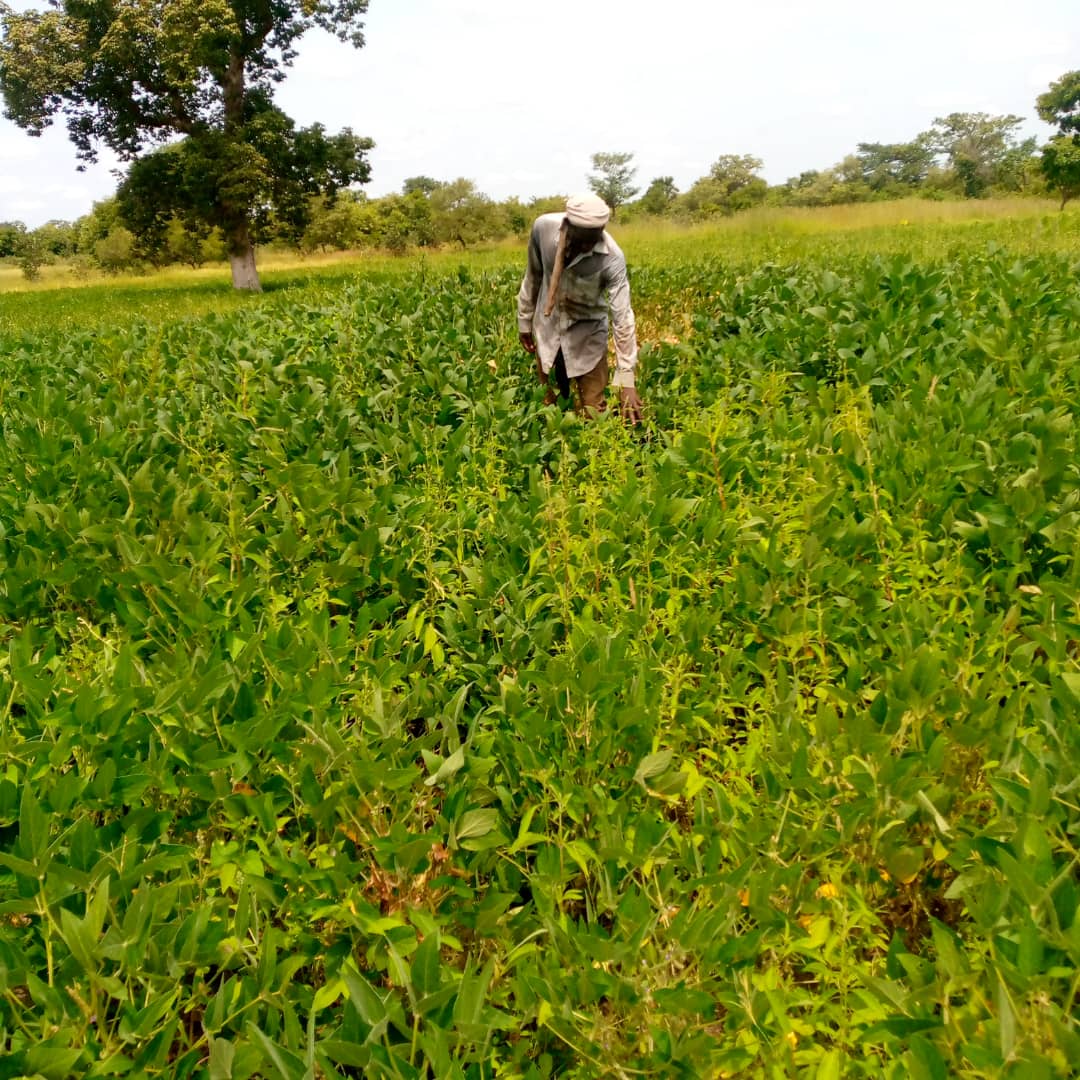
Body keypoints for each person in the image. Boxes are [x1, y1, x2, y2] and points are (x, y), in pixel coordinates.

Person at [517, 193, 644, 422]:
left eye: (593, 238)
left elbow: (623, 318)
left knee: (594, 413)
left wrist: (626, 381)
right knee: (551, 409)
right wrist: (524, 321)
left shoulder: (612, 259)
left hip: (587, 339)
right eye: (582, 238)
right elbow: (533, 275)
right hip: (548, 331)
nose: (587, 245)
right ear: (567, 224)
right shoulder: (543, 229)